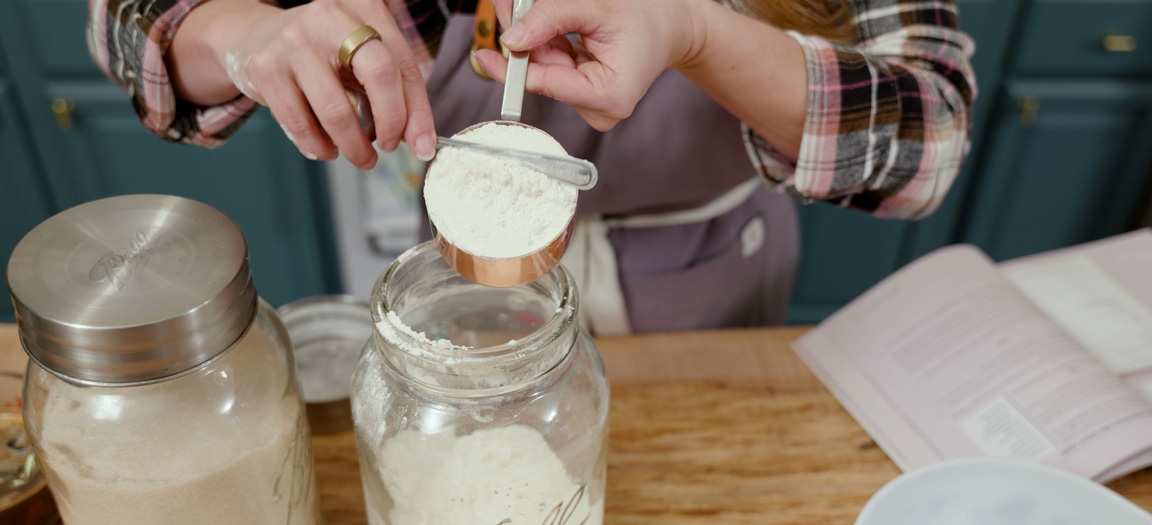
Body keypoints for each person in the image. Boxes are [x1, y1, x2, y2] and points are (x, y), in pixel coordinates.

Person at [86, 0, 976, 334]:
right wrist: (243, 34)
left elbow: (929, 141)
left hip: (714, 281)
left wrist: (694, 31)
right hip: (473, 286)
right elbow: (126, 25)